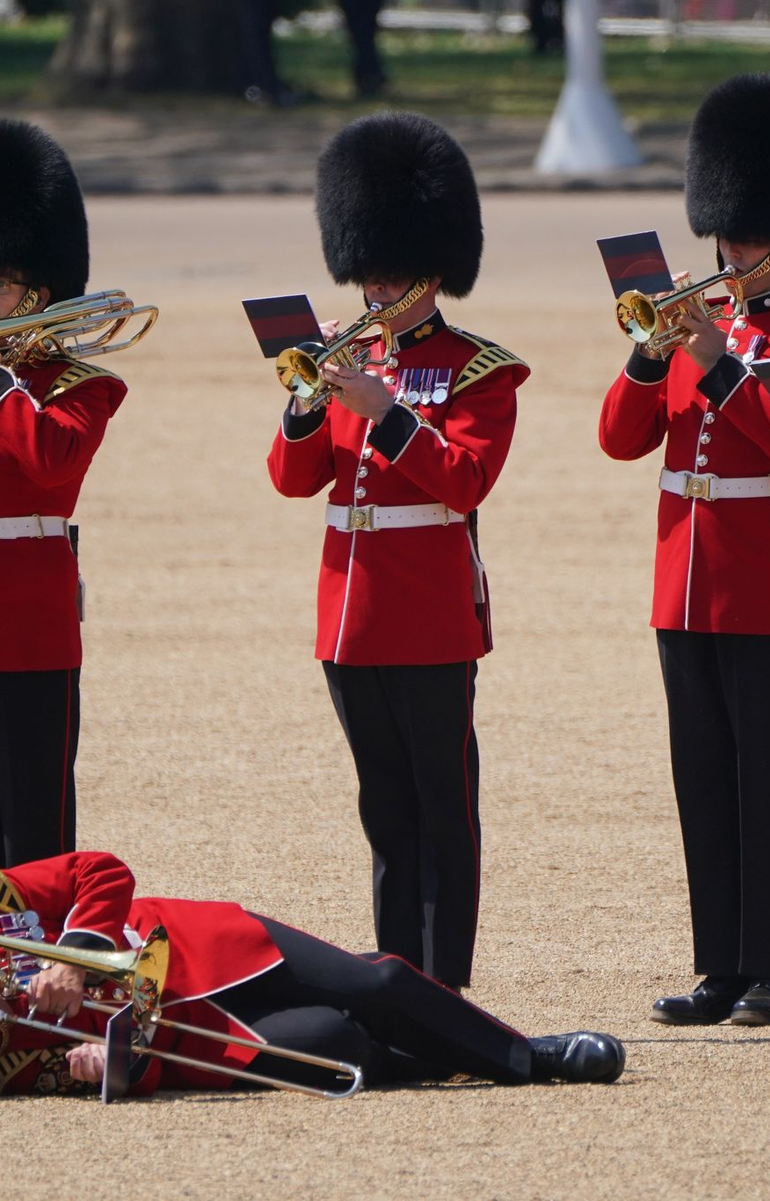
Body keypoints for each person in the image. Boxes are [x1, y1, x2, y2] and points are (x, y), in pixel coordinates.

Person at [599, 74, 770, 1028]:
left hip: (762, 574)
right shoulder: (688, 327)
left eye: (747, 237)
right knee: (702, 775)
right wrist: (649, 355)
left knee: (765, 775)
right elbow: (620, 439)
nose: (730, 250)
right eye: (725, 234)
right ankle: (718, 963)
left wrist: (719, 366)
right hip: (683, 573)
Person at [268, 113, 527, 992]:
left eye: (390, 271)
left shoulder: (478, 369)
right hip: (351, 613)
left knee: (441, 808)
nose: (375, 286)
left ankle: (444, 984)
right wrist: (305, 406)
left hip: (427, 614)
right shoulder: (347, 360)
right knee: (383, 806)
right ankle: (396, 980)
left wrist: (388, 415)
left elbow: (466, 480)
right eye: (367, 270)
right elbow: (293, 480)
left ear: (432, 270)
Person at [0, 851, 624, 1096]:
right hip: (195, 1035)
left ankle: (528, 1055)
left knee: (380, 986)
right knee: (338, 1043)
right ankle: (445, 1051)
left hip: (202, 947)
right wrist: (115, 1067)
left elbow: (98, 872)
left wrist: (71, 954)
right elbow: (125, 1073)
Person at [0, 120, 127, 869]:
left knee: (33, 827)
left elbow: (52, 463)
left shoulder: (81, 385)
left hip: (27, 626)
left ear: (39, 292)